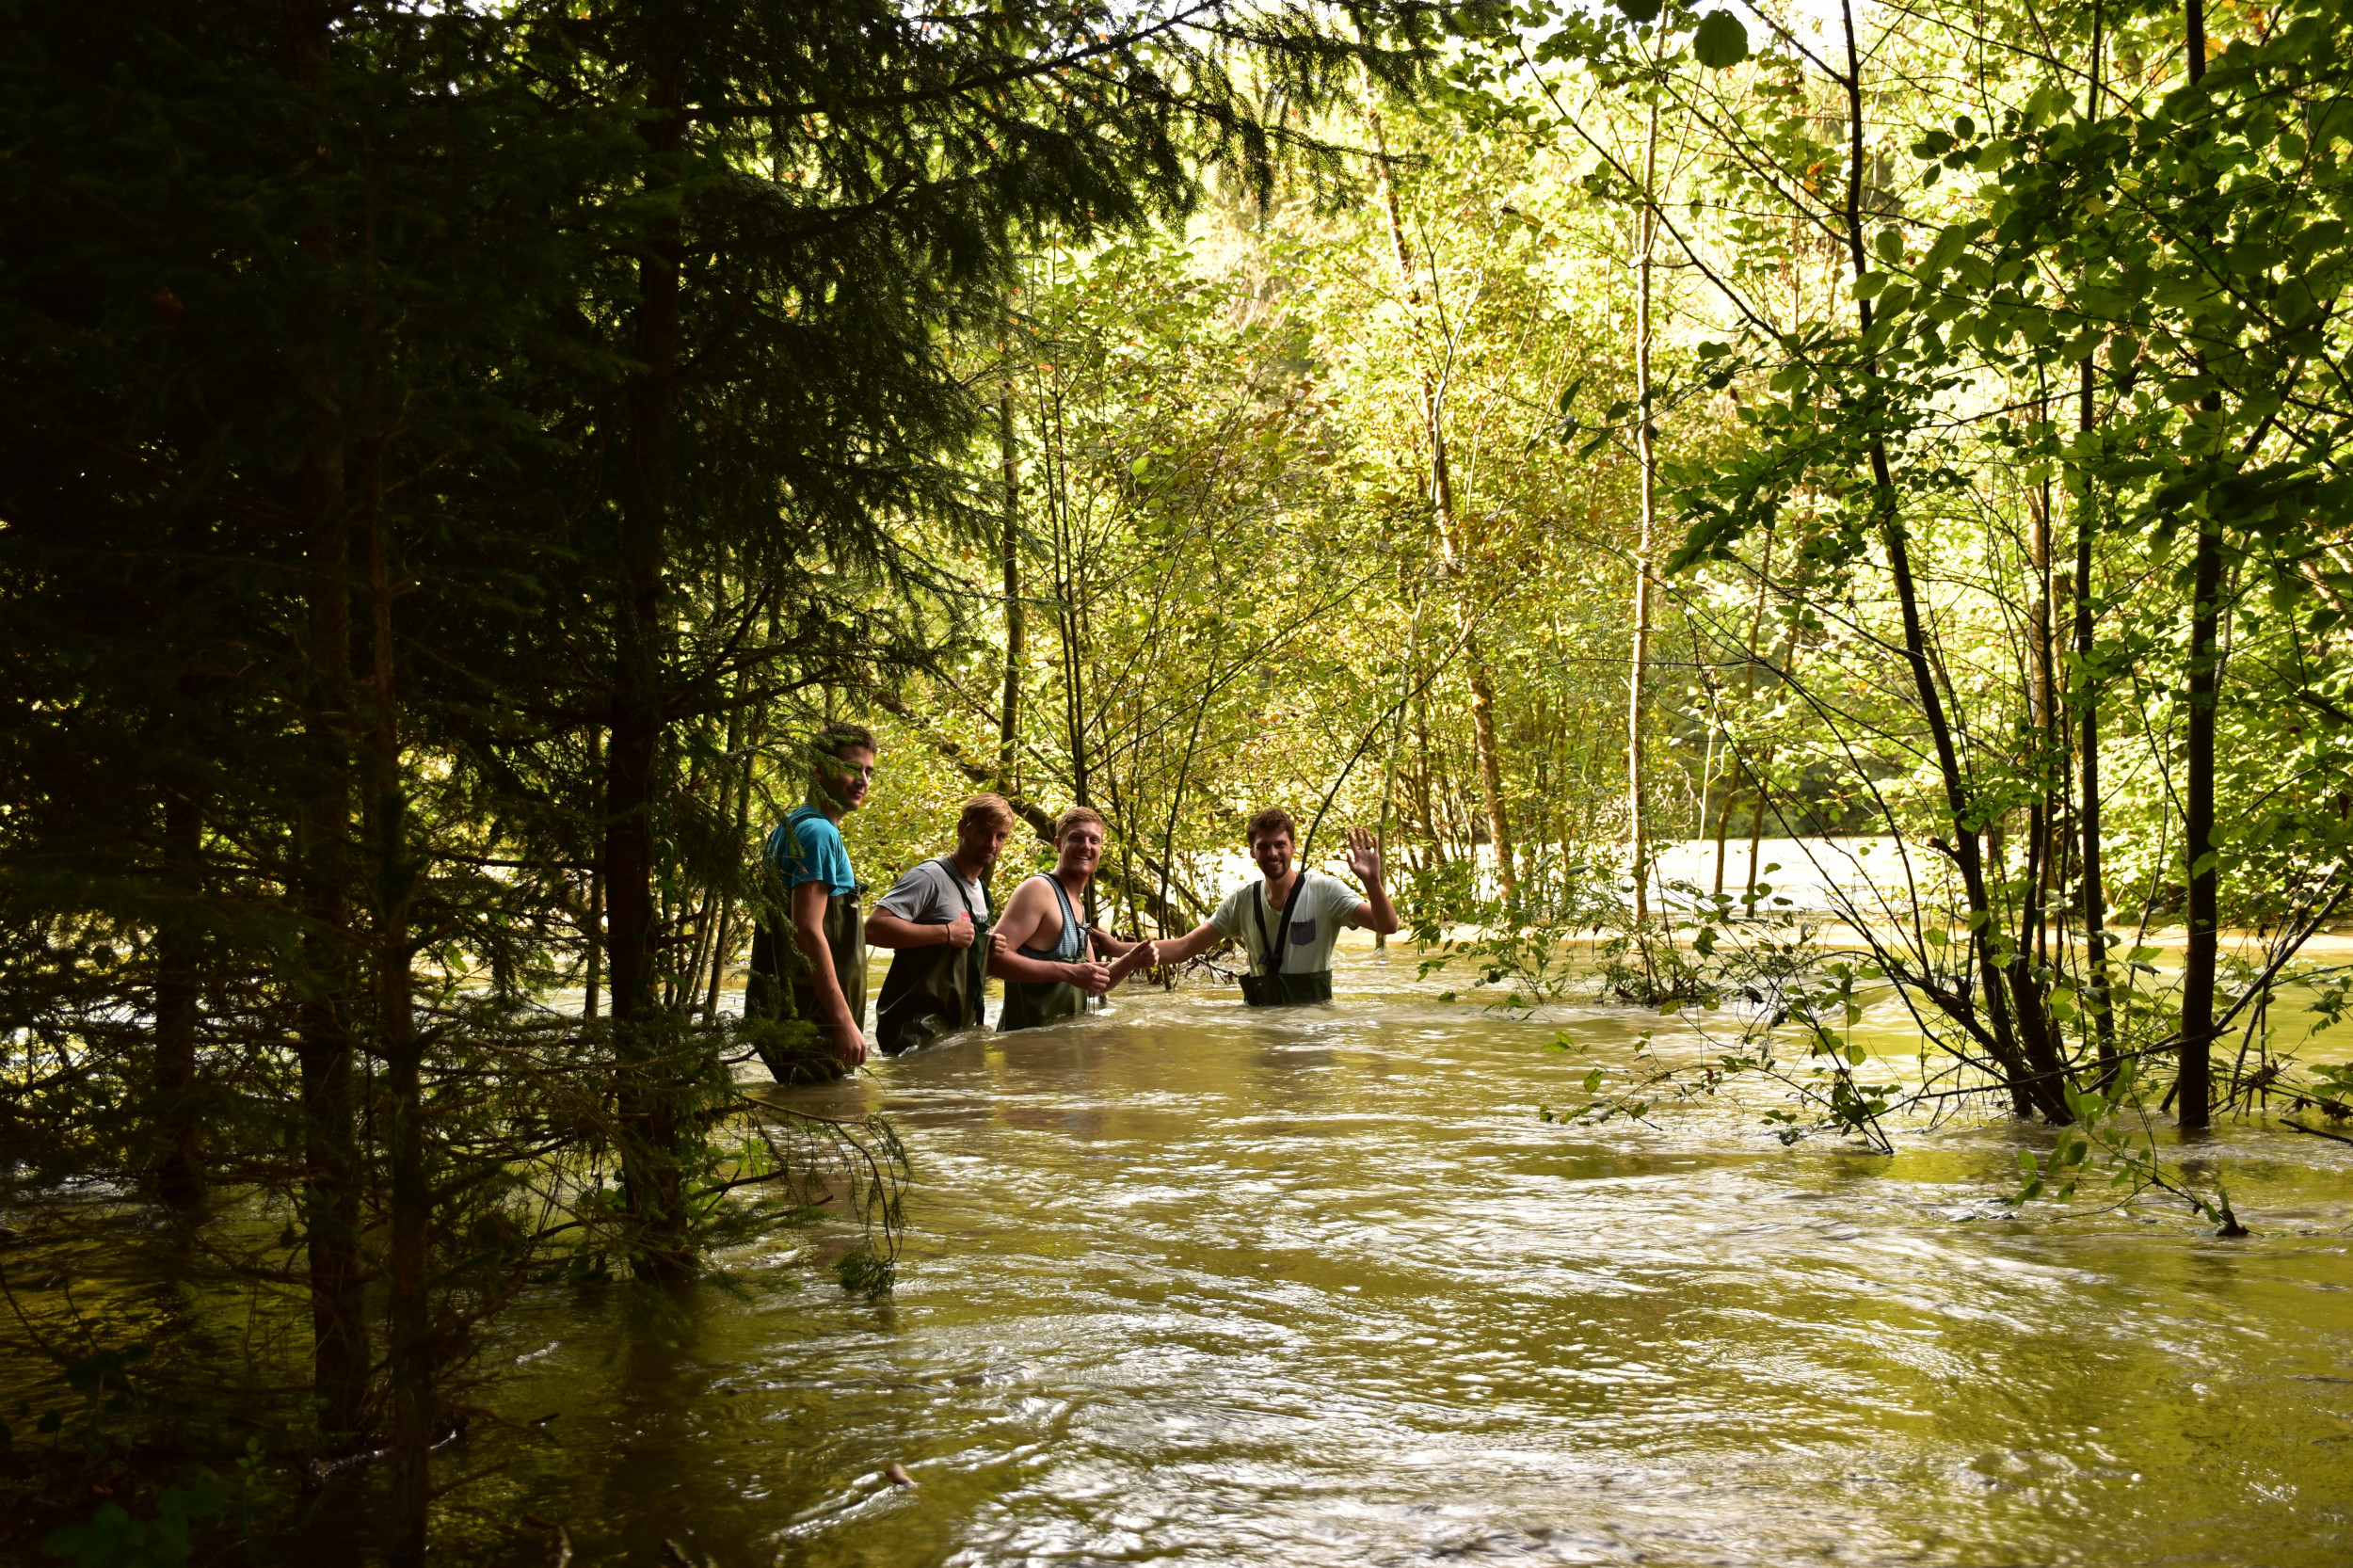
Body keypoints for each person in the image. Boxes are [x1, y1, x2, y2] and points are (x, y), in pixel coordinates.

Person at [1154, 808, 1400, 1005]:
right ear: (1252, 851)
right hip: (1263, 1028)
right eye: (1263, 846)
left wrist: (1372, 882)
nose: (1272, 853)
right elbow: (1183, 947)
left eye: (1280, 844)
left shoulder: (1326, 891)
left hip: (1313, 1027)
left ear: (1293, 846)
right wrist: (1121, 950)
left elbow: (1387, 925)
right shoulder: (1242, 901)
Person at [747, 722, 876, 1070]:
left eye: (869, 771)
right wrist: (844, 1023)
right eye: (852, 768)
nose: (863, 780)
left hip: (799, 1019)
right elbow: (807, 931)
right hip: (814, 1023)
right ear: (817, 769)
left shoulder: (794, 824)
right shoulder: (817, 833)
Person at [865, 793, 1015, 1054]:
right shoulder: (929, 877)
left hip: (958, 1032)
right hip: (914, 1032)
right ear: (962, 829)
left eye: (1000, 836)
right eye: (984, 832)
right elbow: (873, 929)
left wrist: (986, 947)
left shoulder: (982, 891)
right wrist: (945, 933)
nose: (992, 843)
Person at [986, 806, 1158, 1029]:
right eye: (1076, 838)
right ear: (1058, 844)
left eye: (1094, 840)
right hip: (1029, 1053)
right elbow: (992, 962)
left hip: (1066, 1050)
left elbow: (1092, 985)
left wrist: (1131, 960)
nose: (1086, 846)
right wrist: (1068, 972)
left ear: (1100, 847)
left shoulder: (1077, 905)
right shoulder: (1038, 890)